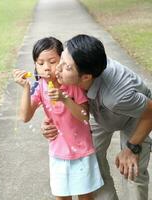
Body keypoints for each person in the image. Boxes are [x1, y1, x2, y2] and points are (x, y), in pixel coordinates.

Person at [41, 34, 152, 200]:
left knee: (132, 171)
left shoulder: (117, 95)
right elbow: (53, 104)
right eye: (61, 59)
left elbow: (150, 111)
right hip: (98, 112)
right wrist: (48, 123)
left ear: (86, 77)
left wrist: (132, 147)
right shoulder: (71, 71)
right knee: (91, 164)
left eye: (67, 67)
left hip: (135, 115)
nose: (57, 68)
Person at [13, 37, 104, 200]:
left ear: (62, 60)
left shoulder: (71, 84)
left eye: (52, 61)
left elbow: (85, 116)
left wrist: (65, 99)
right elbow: (25, 117)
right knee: (61, 197)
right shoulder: (40, 86)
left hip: (81, 151)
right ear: (35, 65)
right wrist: (26, 88)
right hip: (58, 153)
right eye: (40, 63)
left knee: (85, 197)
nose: (47, 68)